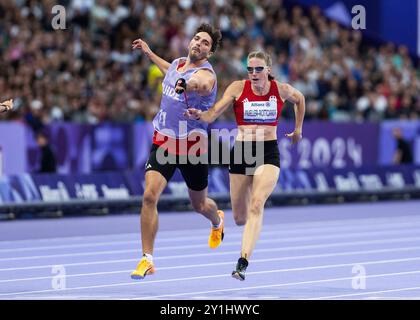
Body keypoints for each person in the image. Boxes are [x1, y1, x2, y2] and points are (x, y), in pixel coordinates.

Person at [185, 51, 305, 280]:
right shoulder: (238, 88)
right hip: (241, 153)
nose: (254, 73)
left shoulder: (281, 89)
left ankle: (243, 261)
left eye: (258, 69)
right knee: (240, 218)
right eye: (250, 69)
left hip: (267, 152)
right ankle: (225, 220)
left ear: (268, 70)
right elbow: (214, 113)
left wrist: (298, 129)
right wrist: (200, 115)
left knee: (257, 204)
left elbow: (300, 100)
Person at [130, 24, 224, 280]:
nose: (198, 44)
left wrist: (187, 83)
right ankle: (147, 259)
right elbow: (169, 70)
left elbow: (200, 84)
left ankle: (217, 222)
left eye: (205, 43)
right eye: (196, 39)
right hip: (164, 142)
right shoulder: (178, 63)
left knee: (200, 204)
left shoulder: (207, 75)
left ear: (210, 52)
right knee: (149, 196)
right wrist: (149, 53)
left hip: (192, 146)